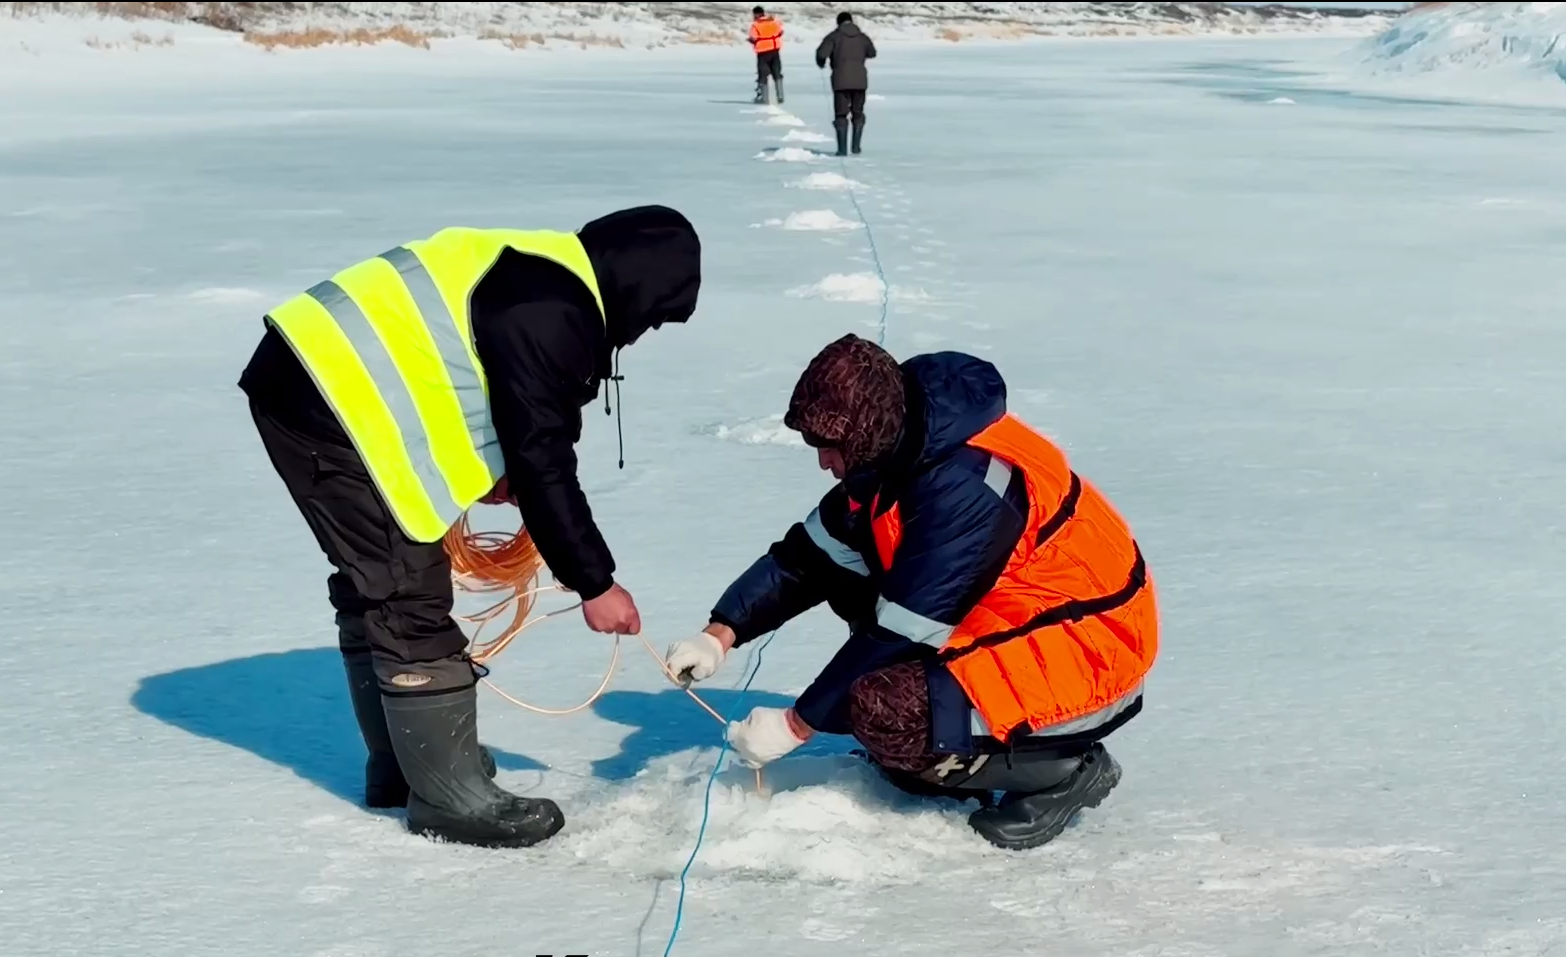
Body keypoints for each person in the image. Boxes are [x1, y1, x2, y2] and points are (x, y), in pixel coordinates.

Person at [239, 206, 701, 849]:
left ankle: (412, 767)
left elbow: (458, 378)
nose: (643, 331)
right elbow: (544, 461)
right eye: (654, 316)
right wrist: (596, 585)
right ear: (639, 287)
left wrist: (491, 469)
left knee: (383, 577)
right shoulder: (553, 311)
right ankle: (448, 799)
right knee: (405, 589)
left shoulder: (546, 274)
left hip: (309, 382)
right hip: (321, 399)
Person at [664, 335, 1158, 850]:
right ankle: (938, 757)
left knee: (886, 709)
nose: (822, 462)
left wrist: (795, 725)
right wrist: (719, 635)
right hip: (1010, 626)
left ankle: (1063, 771)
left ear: (861, 435)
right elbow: (805, 560)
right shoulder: (892, 457)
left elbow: (904, 629)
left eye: (827, 446)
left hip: (1089, 652)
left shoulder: (967, 487)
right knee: (868, 653)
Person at [815, 11, 877, 156]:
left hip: (840, 80)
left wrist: (821, 63)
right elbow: (872, 52)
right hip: (860, 81)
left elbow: (821, 54)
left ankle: (842, 149)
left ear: (838, 22)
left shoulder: (834, 36)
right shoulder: (862, 37)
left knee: (841, 114)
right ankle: (856, 147)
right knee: (858, 113)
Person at [748, 6, 785, 105]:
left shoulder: (755, 25)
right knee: (777, 73)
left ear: (756, 14)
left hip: (763, 52)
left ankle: (764, 99)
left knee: (763, 75)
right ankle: (780, 96)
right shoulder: (773, 21)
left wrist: (750, 40)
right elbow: (781, 32)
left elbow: (754, 38)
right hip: (774, 51)